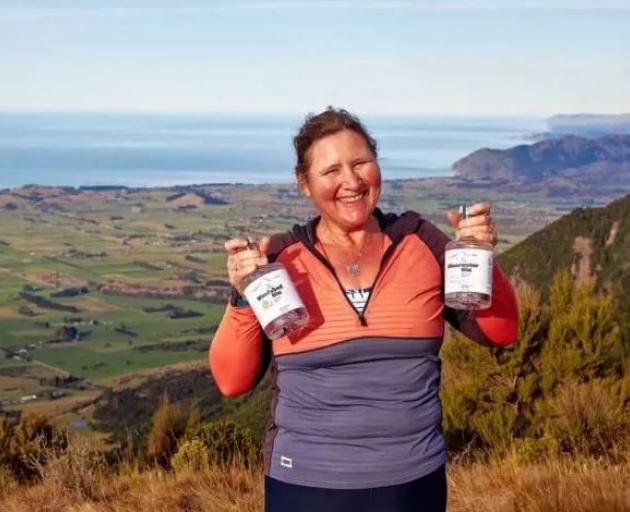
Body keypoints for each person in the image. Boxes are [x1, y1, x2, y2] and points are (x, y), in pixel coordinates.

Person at [209, 107, 519, 512]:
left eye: (360, 163)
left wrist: (479, 256)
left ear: (377, 164)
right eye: (331, 171)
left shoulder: (421, 242)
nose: (351, 182)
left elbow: (500, 331)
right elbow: (232, 381)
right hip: (303, 484)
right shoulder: (281, 259)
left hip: (413, 483)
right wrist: (243, 294)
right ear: (304, 184)